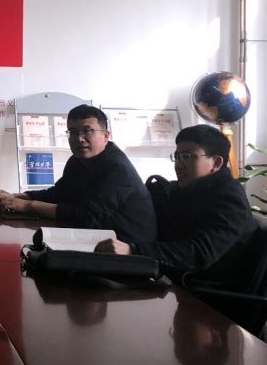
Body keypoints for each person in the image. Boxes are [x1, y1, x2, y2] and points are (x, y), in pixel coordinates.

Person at [95, 124, 256, 290]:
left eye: (187, 156)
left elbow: (198, 253)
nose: (178, 165)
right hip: (171, 279)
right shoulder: (190, 190)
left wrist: (133, 250)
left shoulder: (230, 200)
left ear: (216, 162)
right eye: (177, 157)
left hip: (201, 292)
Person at [0, 104, 156, 244]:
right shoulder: (77, 161)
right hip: (98, 236)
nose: (79, 138)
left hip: (128, 247)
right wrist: (19, 197)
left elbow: (88, 215)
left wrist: (28, 206)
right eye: (73, 132)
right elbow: (58, 194)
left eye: (87, 131)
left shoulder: (118, 168)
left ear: (105, 136)